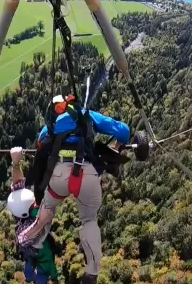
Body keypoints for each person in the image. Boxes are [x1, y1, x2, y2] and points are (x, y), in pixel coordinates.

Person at [13, 94, 132, 284]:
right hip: (86, 175)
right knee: (89, 220)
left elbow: (40, 149)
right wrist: (117, 145)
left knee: (47, 206)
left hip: (58, 175)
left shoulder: (48, 127)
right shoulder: (86, 115)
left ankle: (29, 240)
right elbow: (124, 131)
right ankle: (91, 273)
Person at [7, 147, 59, 284]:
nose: (35, 204)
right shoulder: (29, 219)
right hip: (38, 257)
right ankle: (34, 277)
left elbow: (18, 185)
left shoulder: (23, 207)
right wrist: (41, 222)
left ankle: (36, 277)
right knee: (35, 272)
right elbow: (24, 237)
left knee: (35, 273)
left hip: (37, 256)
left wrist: (16, 163)